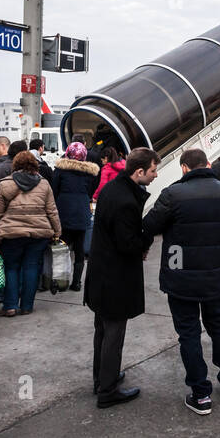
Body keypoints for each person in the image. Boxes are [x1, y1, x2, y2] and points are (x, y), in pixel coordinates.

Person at [142, 148, 220, 415]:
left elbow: (149, 226)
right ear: (207, 164)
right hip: (216, 275)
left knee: (189, 332)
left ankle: (201, 395)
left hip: (181, 275)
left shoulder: (173, 194)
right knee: (218, 326)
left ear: (184, 168)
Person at [83, 147, 159, 408]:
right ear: (139, 171)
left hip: (101, 272)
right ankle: (108, 391)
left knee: (102, 331)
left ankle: (102, 378)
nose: (156, 175)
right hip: (114, 276)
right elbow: (128, 244)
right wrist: (147, 236)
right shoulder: (126, 201)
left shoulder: (111, 188)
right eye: (152, 170)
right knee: (113, 334)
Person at [0, 150, 60, 318]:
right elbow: (52, 211)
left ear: (15, 165)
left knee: (12, 268)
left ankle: (10, 306)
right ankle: (27, 306)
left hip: (11, 234)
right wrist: (57, 231)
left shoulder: (4, 184)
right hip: (39, 234)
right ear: (35, 165)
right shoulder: (44, 184)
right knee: (31, 267)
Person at [49, 142, 99, 292]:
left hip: (63, 212)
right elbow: (90, 192)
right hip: (82, 212)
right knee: (79, 250)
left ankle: (59, 281)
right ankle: (76, 283)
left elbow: (54, 190)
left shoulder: (59, 171)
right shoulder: (90, 173)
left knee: (60, 249)